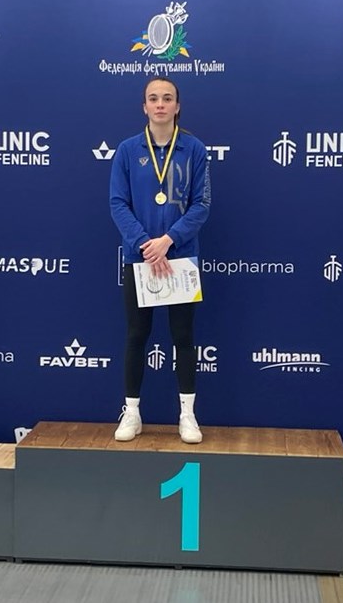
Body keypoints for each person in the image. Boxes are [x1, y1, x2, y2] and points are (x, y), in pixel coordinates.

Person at [109, 77, 211, 444]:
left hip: (180, 259)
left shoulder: (194, 149)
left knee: (183, 336)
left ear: (177, 106)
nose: (160, 104)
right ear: (144, 107)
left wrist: (168, 241)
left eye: (167, 98)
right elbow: (118, 203)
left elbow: (202, 204)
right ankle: (132, 413)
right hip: (140, 259)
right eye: (153, 99)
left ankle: (187, 415)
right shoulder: (127, 150)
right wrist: (144, 244)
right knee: (137, 335)